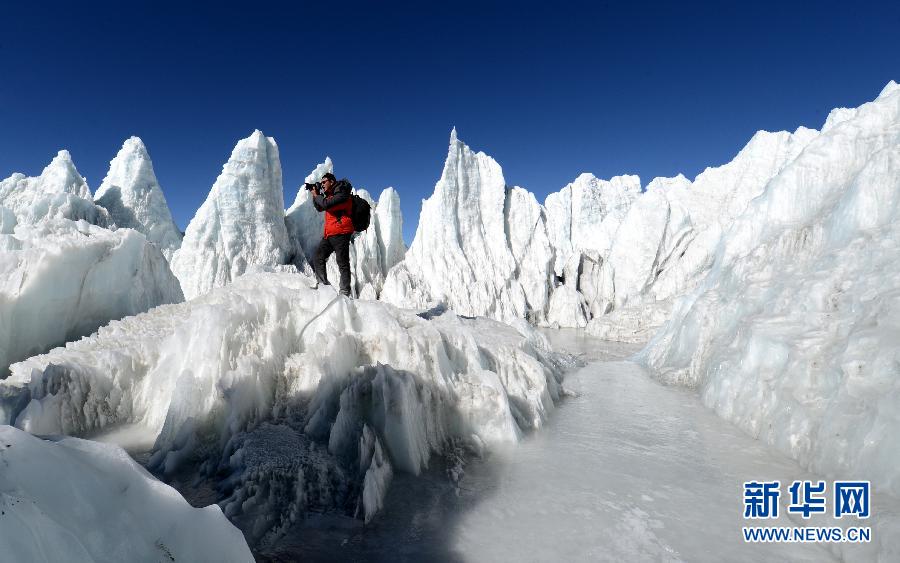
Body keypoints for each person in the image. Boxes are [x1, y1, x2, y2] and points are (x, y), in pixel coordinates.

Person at [308, 172, 354, 297]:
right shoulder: (330, 195)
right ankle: (323, 286)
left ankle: (344, 292)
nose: (322, 184)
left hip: (341, 232)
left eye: (324, 182)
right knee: (318, 256)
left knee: (342, 263)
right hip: (330, 234)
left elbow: (326, 204)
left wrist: (318, 195)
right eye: (321, 183)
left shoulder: (342, 193)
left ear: (332, 181)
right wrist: (315, 195)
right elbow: (320, 207)